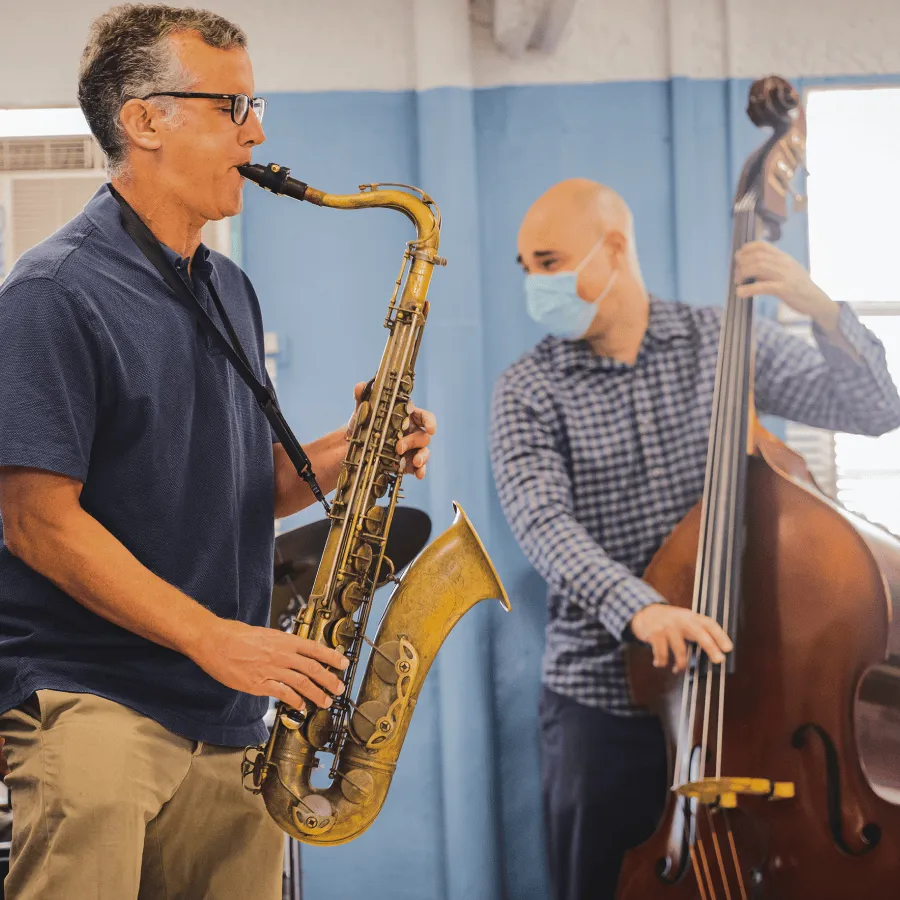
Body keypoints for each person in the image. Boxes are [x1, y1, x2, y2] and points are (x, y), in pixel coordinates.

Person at [0, 6, 435, 900]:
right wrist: (216, 640)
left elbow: (240, 487)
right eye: (233, 106)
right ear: (145, 119)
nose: (260, 130)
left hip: (232, 716)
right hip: (96, 706)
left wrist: (352, 451)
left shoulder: (226, 285)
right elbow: (37, 524)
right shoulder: (50, 292)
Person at [489, 178, 900, 900]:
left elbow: (873, 410)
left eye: (549, 261)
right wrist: (640, 607)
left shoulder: (721, 341)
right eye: (525, 268)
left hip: (746, 700)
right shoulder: (529, 387)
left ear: (613, 249)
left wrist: (824, 314)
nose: (535, 284)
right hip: (603, 700)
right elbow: (542, 522)